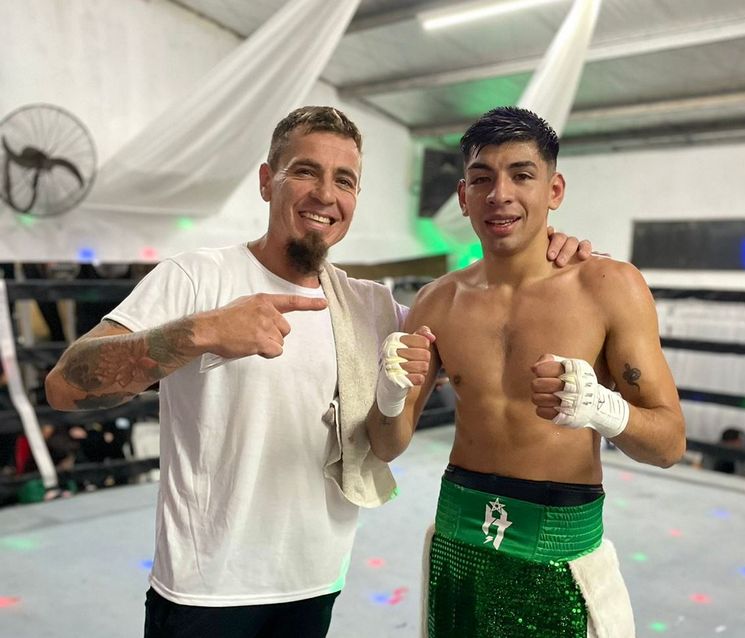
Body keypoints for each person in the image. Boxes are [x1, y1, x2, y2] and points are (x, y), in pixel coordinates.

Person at [44, 106, 590, 637]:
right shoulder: (196, 277)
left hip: (315, 581)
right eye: (304, 171)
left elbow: (487, 320)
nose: (326, 195)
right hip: (206, 588)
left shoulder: (373, 307)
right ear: (266, 181)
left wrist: (555, 253)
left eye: (344, 180)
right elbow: (66, 386)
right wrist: (200, 333)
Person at [367, 106, 686, 637]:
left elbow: (670, 443)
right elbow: (386, 446)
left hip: (559, 551)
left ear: (554, 190)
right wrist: (389, 397)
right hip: (459, 540)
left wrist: (602, 408)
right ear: (464, 196)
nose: (500, 194)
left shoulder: (608, 286)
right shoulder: (437, 302)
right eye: (481, 178)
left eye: (521, 174)